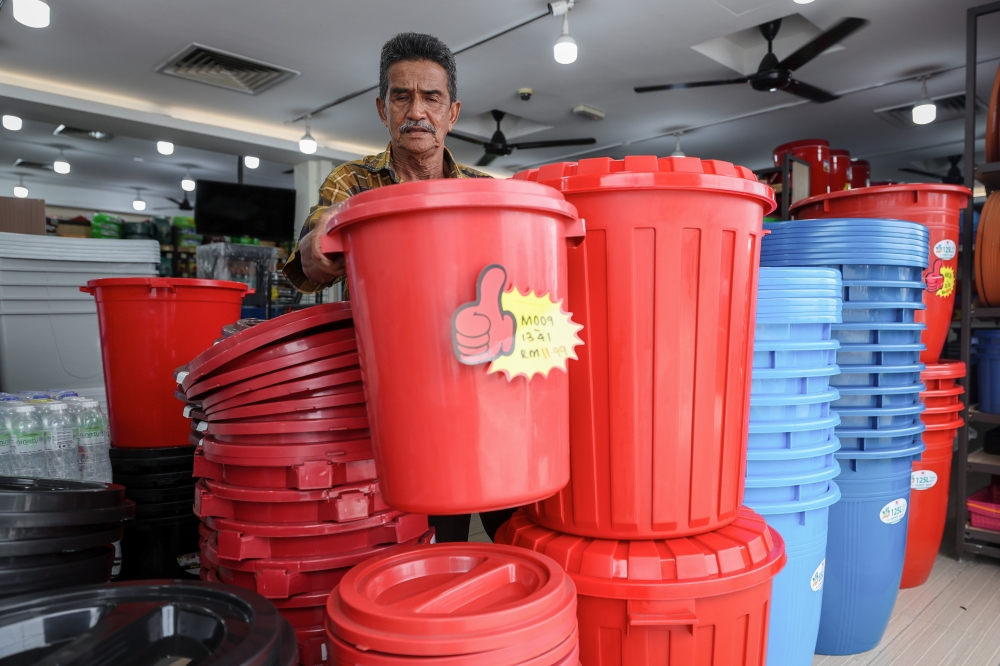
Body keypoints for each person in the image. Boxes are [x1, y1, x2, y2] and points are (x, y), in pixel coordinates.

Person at [283, 32, 515, 544]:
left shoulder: (486, 193)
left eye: (431, 98)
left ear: (452, 112)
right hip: (398, 400)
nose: (416, 112)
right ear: (382, 108)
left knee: (513, 525)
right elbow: (317, 240)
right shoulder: (354, 183)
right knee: (428, 537)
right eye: (401, 96)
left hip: (484, 392)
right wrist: (318, 242)